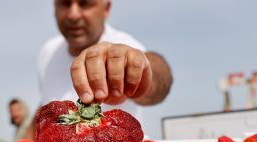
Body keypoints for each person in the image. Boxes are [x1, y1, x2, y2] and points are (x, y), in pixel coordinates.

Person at [37, 0, 172, 124]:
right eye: (65, 4)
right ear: (54, 7)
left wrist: (139, 72)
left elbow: (158, 79)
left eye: (85, 4)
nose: (73, 15)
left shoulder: (125, 45)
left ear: (106, 8)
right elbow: (47, 103)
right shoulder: (48, 52)